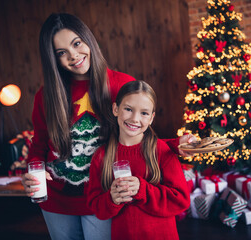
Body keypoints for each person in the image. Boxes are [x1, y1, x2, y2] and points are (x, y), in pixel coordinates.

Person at [21, 13, 195, 240]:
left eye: (77, 44)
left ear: (88, 40)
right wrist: (33, 170)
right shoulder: (46, 96)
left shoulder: (121, 84)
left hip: (104, 196)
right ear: (53, 59)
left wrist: (174, 145)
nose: (73, 56)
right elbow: (40, 144)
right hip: (57, 201)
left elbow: (138, 134)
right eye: (61, 53)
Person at [87, 81, 191, 240]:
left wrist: (142, 190)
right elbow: (96, 207)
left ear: (151, 118)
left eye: (144, 113)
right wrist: (112, 199)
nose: (135, 119)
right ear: (116, 109)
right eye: (128, 109)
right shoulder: (101, 156)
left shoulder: (162, 151)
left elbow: (181, 200)